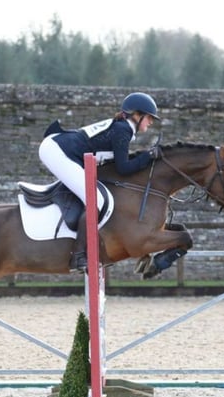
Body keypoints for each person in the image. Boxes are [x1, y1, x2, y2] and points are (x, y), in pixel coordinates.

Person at [39, 92, 162, 273]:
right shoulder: (123, 130)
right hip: (57, 151)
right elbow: (124, 168)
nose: (151, 122)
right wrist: (148, 156)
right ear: (137, 115)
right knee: (96, 200)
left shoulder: (123, 128)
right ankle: (79, 256)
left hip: (62, 149)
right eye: (149, 117)